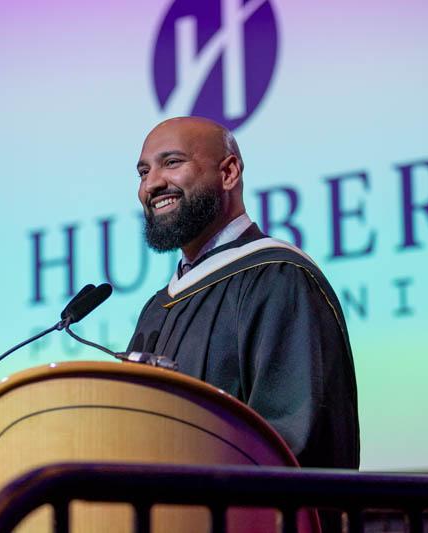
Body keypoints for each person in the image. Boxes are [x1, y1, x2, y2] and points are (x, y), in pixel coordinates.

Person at [130, 116, 359, 469]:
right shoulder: (156, 310)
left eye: (172, 163)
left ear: (229, 173)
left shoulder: (278, 277)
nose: (152, 184)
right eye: (143, 172)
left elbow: (290, 442)